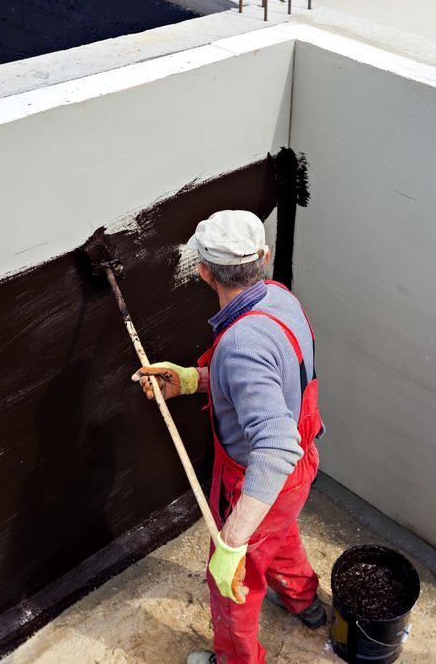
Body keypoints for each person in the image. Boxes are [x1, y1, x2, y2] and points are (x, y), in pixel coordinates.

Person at [132, 209, 326, 664]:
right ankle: (306, 604)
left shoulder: (240, 343)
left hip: (257, 477)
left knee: (233, 587)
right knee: (278, 537)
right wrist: (192, 380)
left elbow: (275, 448)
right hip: (294, 475)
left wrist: (231, 542)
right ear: (263, 256)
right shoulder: (279, 299)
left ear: (203, 271)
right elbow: (267, 380)